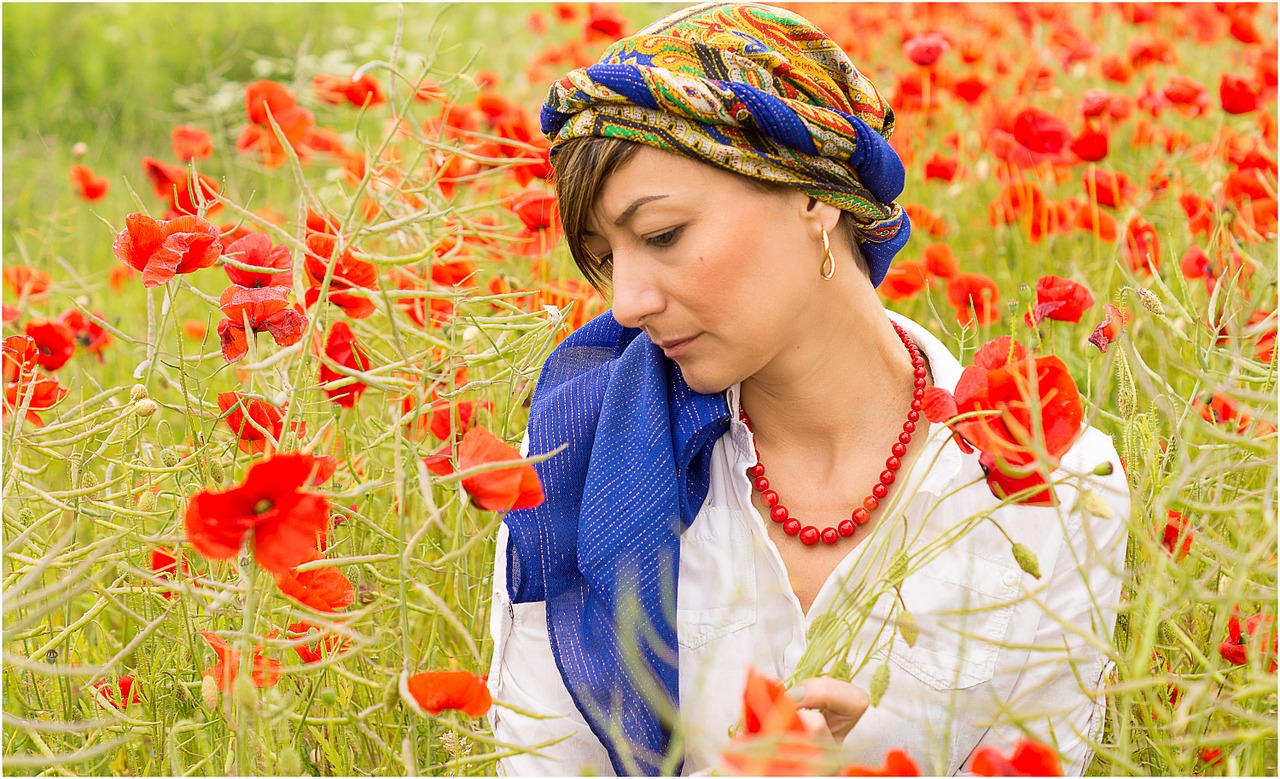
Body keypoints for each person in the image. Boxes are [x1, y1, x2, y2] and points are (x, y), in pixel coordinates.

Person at [486, 3, 1130, 776]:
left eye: (660, 236)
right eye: (604, 255)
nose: (625, 303)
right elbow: (543, 760)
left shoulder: (1052, 483)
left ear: (814, 192)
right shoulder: (575, 456)